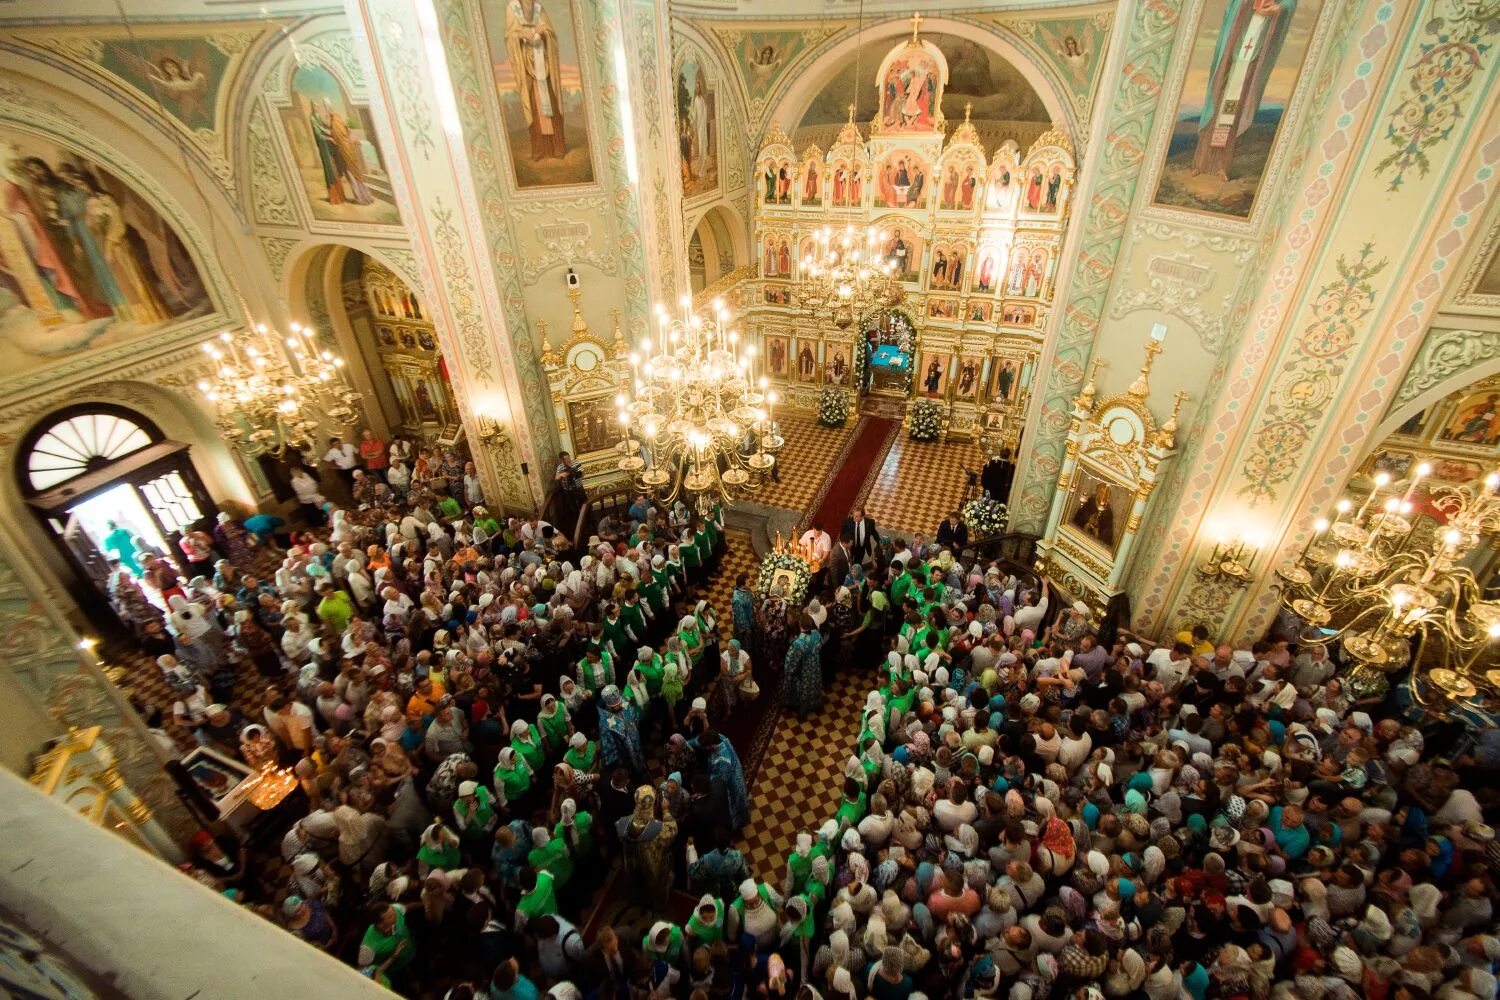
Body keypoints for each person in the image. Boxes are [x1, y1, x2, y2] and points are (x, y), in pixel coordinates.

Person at [782, 614, 822, 718]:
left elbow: (791, 662)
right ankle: (814, 703)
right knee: (813, 684)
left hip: (803, 670)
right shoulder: (817, 634)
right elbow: (820, 645)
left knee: (802, 688)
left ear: (800, 625)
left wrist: (788, 672)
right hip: (814, 666)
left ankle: (802, 709)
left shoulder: (798, 643)